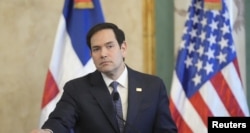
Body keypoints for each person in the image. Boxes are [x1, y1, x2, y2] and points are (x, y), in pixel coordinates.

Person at [31, 22, 177, 133]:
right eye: (96, 49)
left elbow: (166, 130)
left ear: (123, 48)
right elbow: (60, 121)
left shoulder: (152, 86)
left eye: (110, 46)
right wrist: (48, 132)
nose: (103, 54)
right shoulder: (77, 89)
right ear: (91, 54)